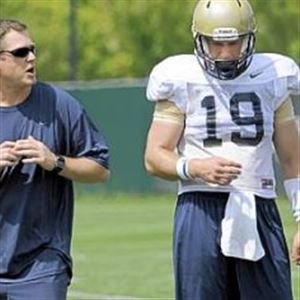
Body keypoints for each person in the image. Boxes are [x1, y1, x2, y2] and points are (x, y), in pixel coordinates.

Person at [144, 0, 300, 299]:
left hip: (259, 203)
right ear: (200, 39)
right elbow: (154, 156)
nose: (225, 53)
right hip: (199, 207)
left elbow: (293, 159)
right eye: (216, 43)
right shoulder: (180, 78)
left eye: (234, 42)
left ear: (249, 38)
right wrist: (194, 167)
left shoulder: (274, 76)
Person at [0, 19, 110, 299]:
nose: (32, 58)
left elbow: (100, 170)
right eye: (21, 52)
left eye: (33, 49)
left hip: (43, 265)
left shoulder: (59, 104)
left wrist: (55, 161)